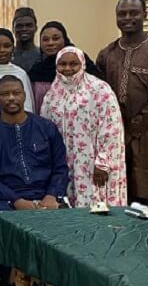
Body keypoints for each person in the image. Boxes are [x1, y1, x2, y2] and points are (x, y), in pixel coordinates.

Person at [0, 75, 69, 286]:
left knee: (60, 219)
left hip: (44, 193)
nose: (11, 98)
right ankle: (5, 278)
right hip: (4, 195)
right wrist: (15, 200)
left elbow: (61, 168)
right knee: (0, 219)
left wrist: (51, 195)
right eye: (5, 94)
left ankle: (40, 277)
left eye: (16, 92)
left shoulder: (45, 128)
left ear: (25, 94)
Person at [41, 47, 127, 207]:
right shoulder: (52, 94)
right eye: (62, 64)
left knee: (97, 205)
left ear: (83, 64)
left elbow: (111, 129)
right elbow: (44, 130)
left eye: (74, 64)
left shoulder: (100, 90)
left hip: (94, 163)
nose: (67, 69)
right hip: (64, 162)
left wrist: (102, 163)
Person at [96, 0, 148, 204]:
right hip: (115, 132)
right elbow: (100, 93)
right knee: (120, 190)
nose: (127, 18)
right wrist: (116, 127)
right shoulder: (107, 53)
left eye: (133, 13)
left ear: (145, 15)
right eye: (122, 14)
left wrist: (136, 125)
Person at [29, 21, 101, 112]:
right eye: (45, 39)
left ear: (65, 40)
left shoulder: (80, 62)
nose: (50, 43)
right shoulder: (36, 70)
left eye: (56, 38)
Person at [12, 7, 41, 73]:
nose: (24, 29)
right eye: (19, 26)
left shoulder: (43, 56)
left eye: (29, 25)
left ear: (36, 28)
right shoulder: (7, 57)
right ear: (13, 29)